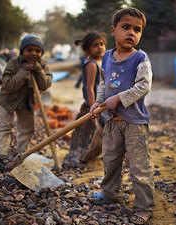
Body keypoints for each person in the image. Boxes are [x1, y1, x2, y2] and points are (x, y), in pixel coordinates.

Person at [89, 7, 154, 225]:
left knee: (139, 165)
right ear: (113, 30)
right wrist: (99, 102)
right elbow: (103, 83)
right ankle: (109, 193)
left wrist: (118, 99)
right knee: (111, 159)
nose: (132, 33)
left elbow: (143, 86)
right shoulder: (106, 57)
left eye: (137, 29)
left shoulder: (140, 58)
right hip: (111, 122)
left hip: (134, 122)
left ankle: (144, 206)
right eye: (125, 27)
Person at [0, 34, 52, 166]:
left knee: (27, 128)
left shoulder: (42, 65)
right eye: (29, 50)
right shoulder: (13, 63)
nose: (34, 53)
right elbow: (8, 85)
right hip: (8, 100)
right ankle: (1, 155)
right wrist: (22, 72)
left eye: (37, 51)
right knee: (5, 127)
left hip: (26, 102)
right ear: (22, 51)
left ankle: (22, 154)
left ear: (41, 53)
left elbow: (45, 85)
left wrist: (38, 70)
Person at [67, 32, 107, 164]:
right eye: (95, 45)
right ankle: (78, 155)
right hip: (93, 105)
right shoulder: (91, 64)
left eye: (102, 44)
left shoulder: (102, 62)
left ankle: (91, 154)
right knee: (85, 131)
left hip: (102, 105)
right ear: (87, 49)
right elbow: (89, 87)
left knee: (99, 131)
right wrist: (92, 107)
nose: (100, 47)